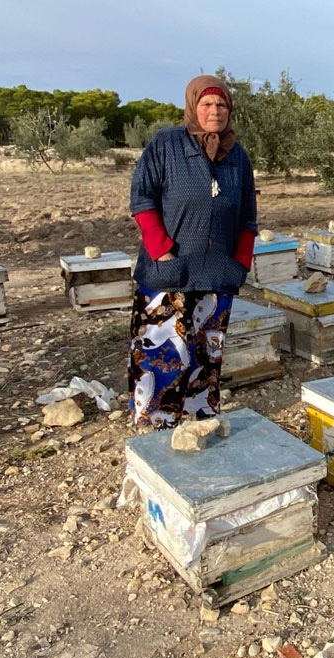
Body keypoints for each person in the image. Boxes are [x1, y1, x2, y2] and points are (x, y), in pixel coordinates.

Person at [127, 74, 257, 428]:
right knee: (162, 355)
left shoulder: (238, 157)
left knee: (205, 357)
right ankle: (155, 423)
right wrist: (161, 251)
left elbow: (248, 218)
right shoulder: (166, 144)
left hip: (219, 274)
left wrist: (240, 263)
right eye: (207, 104)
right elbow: (142, 199)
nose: (215, 111)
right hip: (169, 271)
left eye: (222, 105)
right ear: (193, 107)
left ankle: (200, 420)